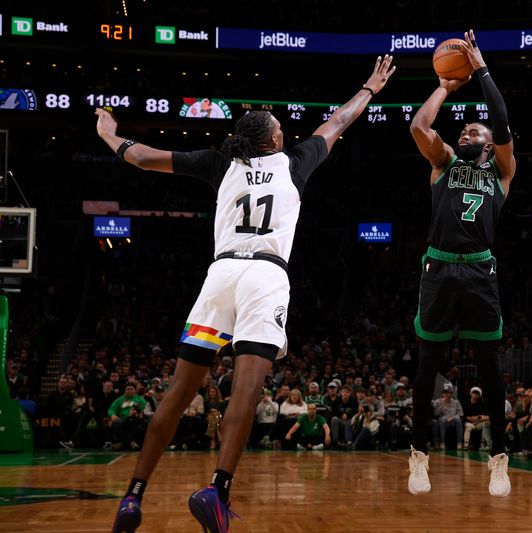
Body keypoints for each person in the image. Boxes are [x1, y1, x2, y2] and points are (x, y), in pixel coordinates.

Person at [100, 54, 396, 533]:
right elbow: (338, 121)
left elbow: (141, 157)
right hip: (264, 277)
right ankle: (216, 489)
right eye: (280, 126)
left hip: (218, 278)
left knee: (177, 393)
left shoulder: (219, 164)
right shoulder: (295, 162)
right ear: (275, 140)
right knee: (246, 388)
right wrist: (368, 88)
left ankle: (133, 496)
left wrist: (110, 134)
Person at [407, 30, 515, 498]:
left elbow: (504, 123)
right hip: (438, 266)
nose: (467, 132)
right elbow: (418, 126)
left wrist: (483, 69)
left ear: (490, 146)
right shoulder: (444, 163)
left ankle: (499, 458)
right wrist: (445, 87)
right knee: (427, 363)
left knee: (490, 367)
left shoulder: (502, 171)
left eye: (476, 131)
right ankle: (418, 456)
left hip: (479, 269)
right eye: (464, 129)